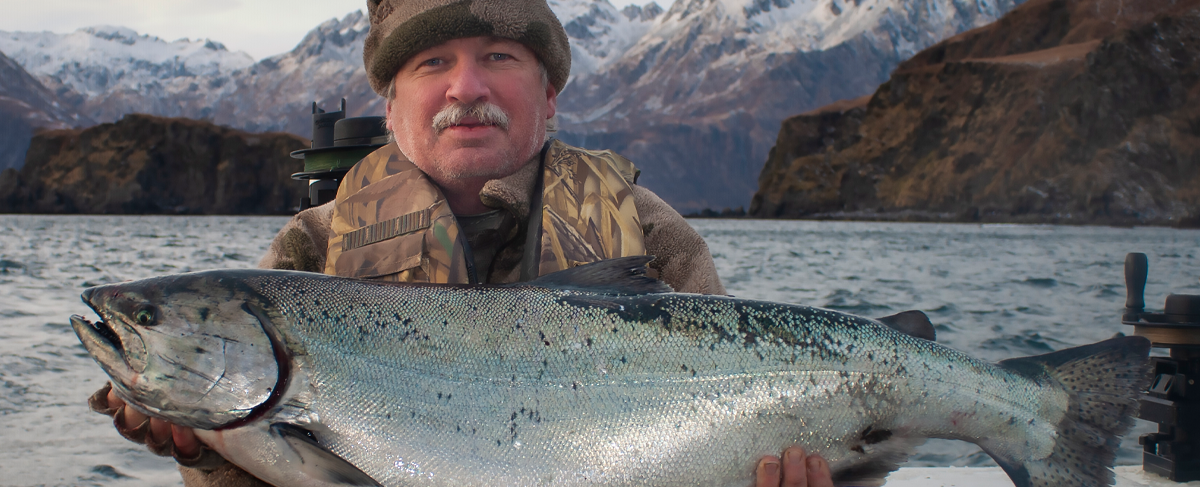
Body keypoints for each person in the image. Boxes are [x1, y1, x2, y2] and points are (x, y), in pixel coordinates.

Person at [87, 1, 836, 486]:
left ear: (549, 95)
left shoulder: (651, 229)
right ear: (391, 104)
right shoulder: (306, 253)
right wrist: (206, 456)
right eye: (431, 63)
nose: (464, 86)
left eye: (500, 57)